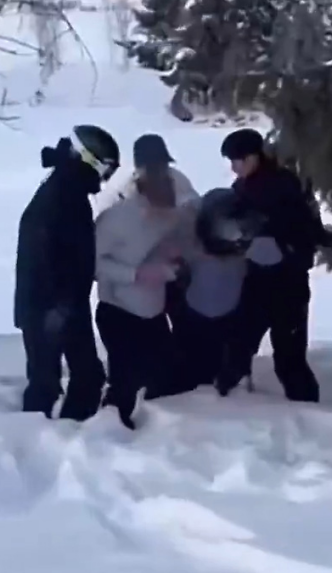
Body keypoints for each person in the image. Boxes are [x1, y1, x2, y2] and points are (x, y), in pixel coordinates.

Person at [14, 124, 120, 421]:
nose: (106, 178)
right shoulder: (61, 194)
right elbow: (42, 252)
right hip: (50, 306)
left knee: (86, 376)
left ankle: (69, 434)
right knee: (46, 382)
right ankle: (28, 443)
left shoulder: (68, 188)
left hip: (65, 303)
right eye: (107, 169)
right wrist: (56, 307)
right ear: (90, 159)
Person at [217, 128, 325, 402]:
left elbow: (307, 229)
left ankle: (309, 412)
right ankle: (221, 403)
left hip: (288, 283)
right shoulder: (239, 189)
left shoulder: (284, 185)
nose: (234, 167)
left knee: (289, 357)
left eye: (238, 160)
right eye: (230, 161)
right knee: (237, 345)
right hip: (256, 281)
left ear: (255, 156)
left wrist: (281, 245)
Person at [94, 156, 185, 430]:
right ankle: (110, 433)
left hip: (153, 313)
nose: (164, 216)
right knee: (125, 379)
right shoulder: (115, 219)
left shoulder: (170, 216)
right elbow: (94, 264)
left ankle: (160, 432)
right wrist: (135, 275)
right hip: (119, 311)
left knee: (164, 373)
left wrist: (173, 261)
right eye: (159, 210)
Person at [114, 133, 200, 377]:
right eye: (153, 166)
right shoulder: (126, 191)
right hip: (143, 272)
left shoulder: (178, 182)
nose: (159, 171)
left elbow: (194, 213)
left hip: (178, 266)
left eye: (162, 165)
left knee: (185, 322)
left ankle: (187, 370)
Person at [168, 187, 263, 392]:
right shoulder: (187, 245)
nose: (238, 236)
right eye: (231, 229)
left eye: (242, 229)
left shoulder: (244, 252)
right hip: (193, 319)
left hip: (230, 321)